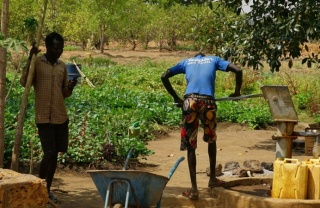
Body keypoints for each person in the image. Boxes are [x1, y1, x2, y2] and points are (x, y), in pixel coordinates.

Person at [161, 52, 242, 200]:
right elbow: (238, 70)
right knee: (211, 140)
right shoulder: (214, 59)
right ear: (205, 56)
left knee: (191, 145)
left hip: (189, 102)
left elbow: (164, 76)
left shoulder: (187, 62)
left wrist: (175, 97)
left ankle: (194, 189)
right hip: (208, 102)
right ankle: (212, 179)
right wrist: (236, 92)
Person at [20, 32, 77, 204]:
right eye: (56, 47)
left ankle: (47, 190)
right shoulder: (37, 63)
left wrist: (70, 87)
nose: (59, 51)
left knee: (55, 155)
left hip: (60, 116)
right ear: (47, 46)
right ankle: (39, 190)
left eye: (61, 48)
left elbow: (64, 93)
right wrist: (30, 58)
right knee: (49, 153)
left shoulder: (62, 66)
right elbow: (25, 82)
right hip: (43, 116)